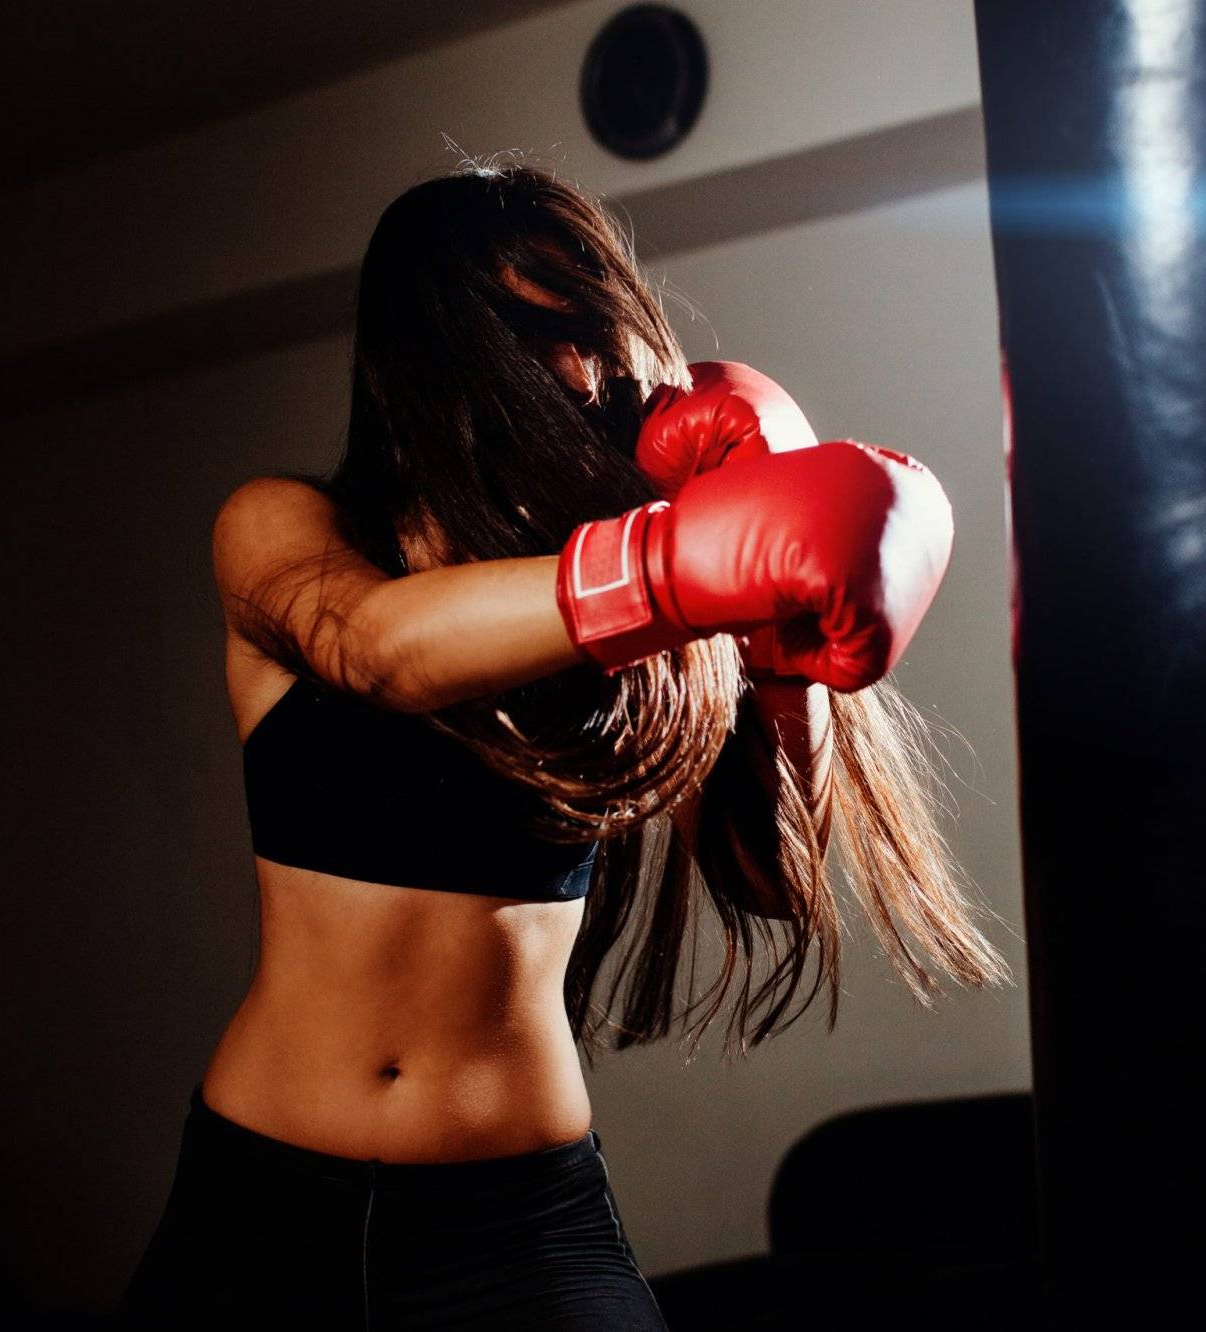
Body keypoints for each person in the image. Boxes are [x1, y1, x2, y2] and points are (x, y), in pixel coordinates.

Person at [113, 157, 1011, 1329]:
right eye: (526, 335)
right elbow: (379, 651)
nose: (577, 373)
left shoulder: (647, 627)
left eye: (587, 330)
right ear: (432, 358)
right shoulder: (290, 531)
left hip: (517, 1220)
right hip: (262, 1196)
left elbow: (767, 877)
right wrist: (680, 571)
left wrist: (782, 659)